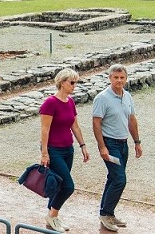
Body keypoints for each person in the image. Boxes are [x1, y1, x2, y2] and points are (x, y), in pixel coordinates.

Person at [38, 68, 90, 233]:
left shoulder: (70, 102)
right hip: (54, 150)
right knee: (68, 186)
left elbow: (75, 125)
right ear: (62, 82)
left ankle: (52, 218)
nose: (74, 86)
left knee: (60, 185)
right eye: (72, 82)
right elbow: (44, 130)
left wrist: (83, 146)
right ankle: (52, 216)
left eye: (76, 82)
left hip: (68, 149)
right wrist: (45, 153)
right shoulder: (50, 103)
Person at [92, 64, 142, 232]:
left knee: (114, 178)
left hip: (123, 143)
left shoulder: (127, 96)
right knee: (120, 179)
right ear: (110, 78)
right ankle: (106, 214)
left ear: (126, 78)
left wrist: (137, 141)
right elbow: (96, 123)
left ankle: (107, 213)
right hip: (110, 143)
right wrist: (102, 147)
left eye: (122, 78)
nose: (119, 81)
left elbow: (131, 119)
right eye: (116, 77)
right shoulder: (102, 98)